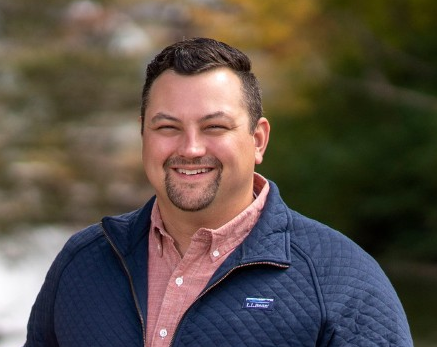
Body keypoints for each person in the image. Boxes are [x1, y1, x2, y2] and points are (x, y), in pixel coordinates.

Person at [25, 37, 412, 347]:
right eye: (167, 127)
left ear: (258, 140)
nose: (190, 148)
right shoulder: (82, 263)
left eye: (214, 127)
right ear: (143, 134)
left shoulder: (341, 279)